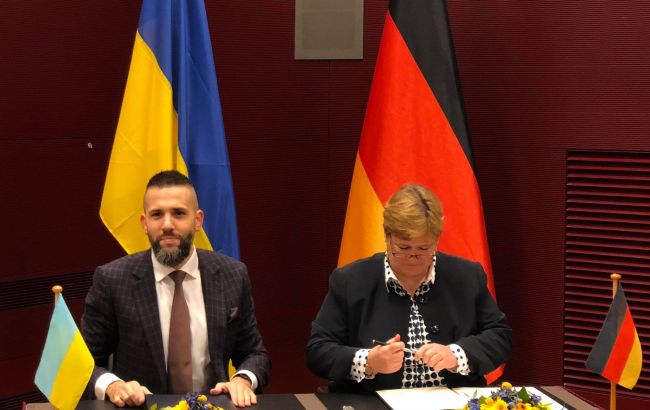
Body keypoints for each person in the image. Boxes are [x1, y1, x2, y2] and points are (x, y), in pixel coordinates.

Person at [81, 170, 270, 407]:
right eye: (157, 214)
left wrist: (243, 379)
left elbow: (254, 353)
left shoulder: (232, 274)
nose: (167, 225)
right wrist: (112, 385)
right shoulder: (112, 280)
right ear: (144, 223)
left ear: (198, 220)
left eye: (179, 213)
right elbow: (82, 364)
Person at [306, 183, 511, 393]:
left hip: (453, 400)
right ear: (387, 237)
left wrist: (457, 355)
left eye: (424, 248)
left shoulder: (466, 276)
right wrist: (368, 361)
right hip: (375, 402)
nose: (413, 257)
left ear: (437, 241)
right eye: (403, 248)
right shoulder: (351, 281)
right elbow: (318, 350)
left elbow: (500, 336)